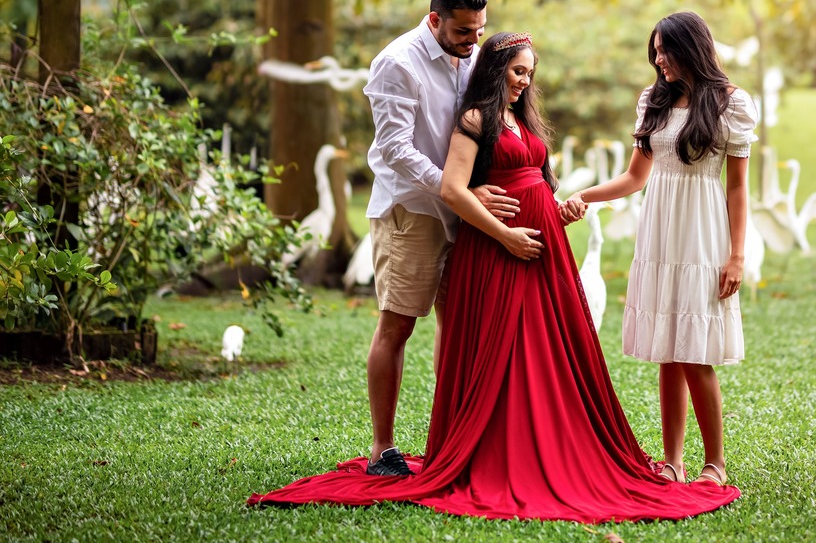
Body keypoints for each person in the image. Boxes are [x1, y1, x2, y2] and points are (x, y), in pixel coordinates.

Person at [249, 32, 739, 522]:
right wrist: (506, 233)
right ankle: (441, 444)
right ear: (495, 68)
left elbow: (542, 178)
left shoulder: (522, 117)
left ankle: (582, 444)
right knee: (497, 344)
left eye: (530, 72)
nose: (525, 81)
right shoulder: (475, 118)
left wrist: (566, 203)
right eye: (517, 71)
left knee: (550, 348)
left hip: (549, 245)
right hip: (499, 244)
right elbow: (454, 186)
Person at [569, 11, 757, 487]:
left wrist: (736, 255)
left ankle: (714, 464)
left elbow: (737, 189)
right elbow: (636, 178)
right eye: (653, 51)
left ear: (690, 47)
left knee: (695, 353)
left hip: (703, 231)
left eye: (664, 50)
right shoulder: (653, 100)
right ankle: (672, 461)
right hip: (660, 229)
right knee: (668, 350)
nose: (658, 60)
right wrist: (579, 197)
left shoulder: (731, 104)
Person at [359, 0, 518, 477]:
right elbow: (396, 150)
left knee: (460, 325)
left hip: (465, 212)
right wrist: (457, 189)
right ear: (435, 21)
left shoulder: (471, 56)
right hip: (413, 211)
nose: (474, 43)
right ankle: (383, 448)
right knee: (399, 324)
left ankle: (452, 436)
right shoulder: (397, 63)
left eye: (480, 31)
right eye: (464, 32)